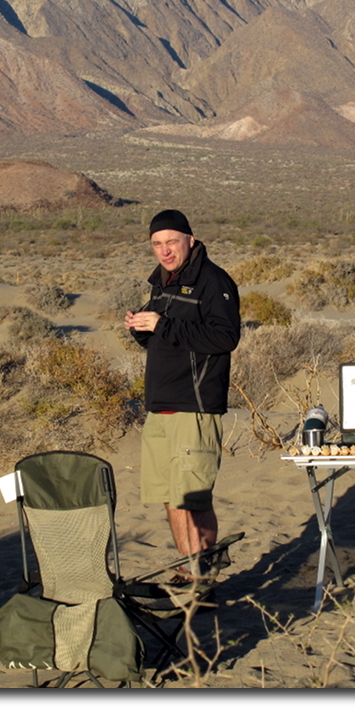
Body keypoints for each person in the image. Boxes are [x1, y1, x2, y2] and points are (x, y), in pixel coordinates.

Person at [124, 209, 240, 573]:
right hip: (161, 407)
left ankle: (201, 578)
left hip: (194, 405)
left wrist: (164, 324)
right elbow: (168, 337)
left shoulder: (213, 281)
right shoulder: (163, 283)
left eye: (172, 241)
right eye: (157, 244)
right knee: (169, 498)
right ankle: (189, 571)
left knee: (192, 497)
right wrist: (142, 329)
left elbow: (225, 338)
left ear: (190, 239)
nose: (165, 251)